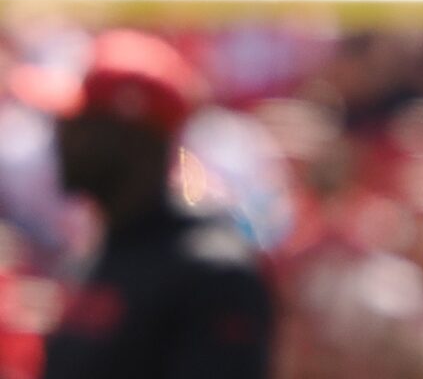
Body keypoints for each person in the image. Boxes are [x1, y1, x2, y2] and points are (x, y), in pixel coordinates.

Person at [12, 31, 274, 379]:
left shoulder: (212, 272)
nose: (59, 139)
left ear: (130, 140)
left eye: (77, 124)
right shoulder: (96, 254)